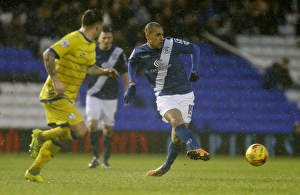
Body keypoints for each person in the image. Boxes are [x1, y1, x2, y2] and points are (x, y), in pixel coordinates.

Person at [25, 9, 119, 183]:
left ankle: (33, 171)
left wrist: (105, 72)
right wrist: (55, 80)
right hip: (54, 94)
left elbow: (89, 68)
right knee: (81, 130)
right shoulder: (74, 39)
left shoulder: (91, 45)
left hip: (66, 96)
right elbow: (48, 54)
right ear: (98, 27)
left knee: (60, 138)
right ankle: (40, 136)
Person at [124, 22, 210, 177]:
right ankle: (195, 147)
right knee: (177, 122)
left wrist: (195, 69)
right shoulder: (140, 51)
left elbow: (194, 49)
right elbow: (131, 62)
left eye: (162, 34)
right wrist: (131, 82)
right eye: (157, 35)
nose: (161, 37)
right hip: (164, 96)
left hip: (185, 94)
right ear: (147, 36)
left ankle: (165, 167)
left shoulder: (171, 44)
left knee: (177, 138)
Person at [86, 25, 129, 169]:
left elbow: (125, 72)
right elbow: (83, 69)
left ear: (112, 39)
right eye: (103, 38)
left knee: (108, 129)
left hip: (110, 96)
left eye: (109, 38)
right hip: (93, 94)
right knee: (92, 124)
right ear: (98, 39)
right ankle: (95, 157)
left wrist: (127, 90)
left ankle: (105, 160)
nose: (106, 40)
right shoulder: (91, 50)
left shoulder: (118, 52)